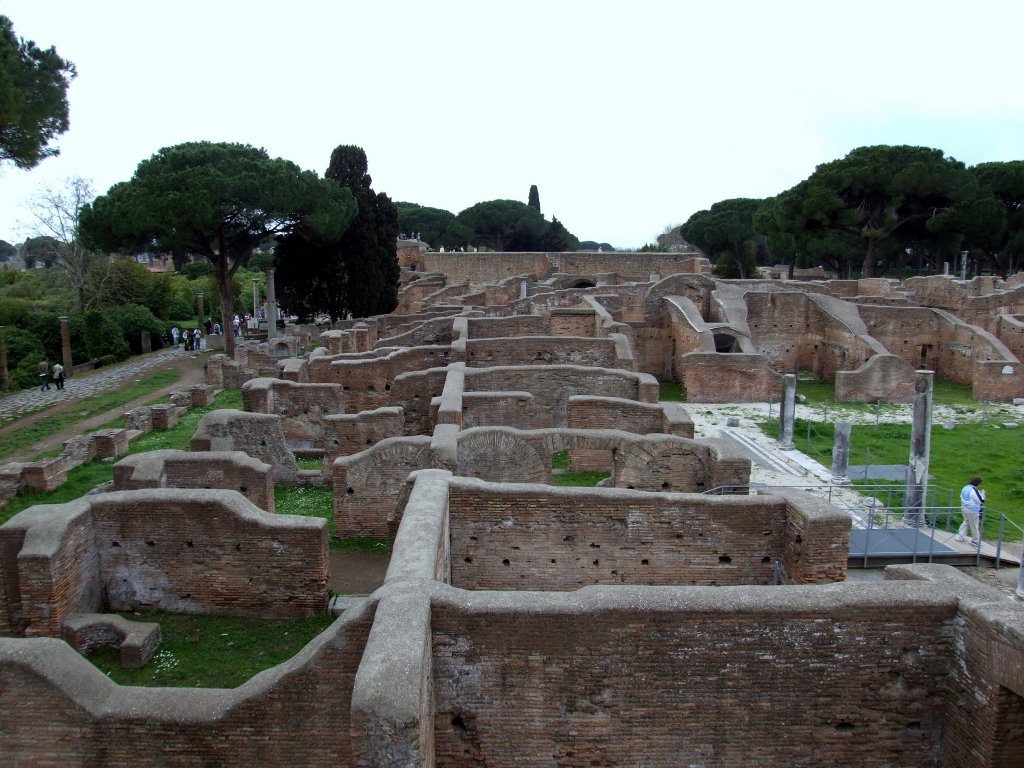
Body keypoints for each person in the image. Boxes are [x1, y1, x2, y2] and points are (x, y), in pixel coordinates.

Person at [957, 476, 985, 544]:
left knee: (966, 522)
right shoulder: (974, 490)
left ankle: (959, 537)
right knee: (974, 525)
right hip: (972, 509)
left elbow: (961, 496)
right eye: (980, 484)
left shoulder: (965, 488)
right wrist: (983, 494)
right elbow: (980, 500)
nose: (980, 485)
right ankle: (975, 541)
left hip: (964, 507)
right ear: (978, 483)